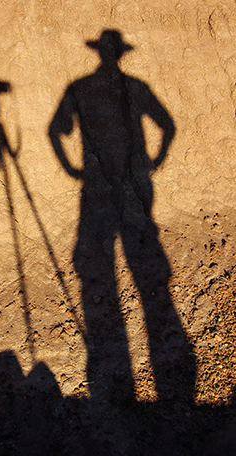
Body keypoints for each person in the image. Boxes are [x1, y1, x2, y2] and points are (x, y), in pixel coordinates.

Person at [48, 30, 194, 401]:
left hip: (98, 184)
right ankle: (152, 317)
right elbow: (168, 125)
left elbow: (56, 131)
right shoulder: (137, 87)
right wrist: (155, 161)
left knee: (99, 261)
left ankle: (108, 333)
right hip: (134, 182)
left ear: (102, 53)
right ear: (120, 55)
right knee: (141, 253)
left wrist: (71, 169)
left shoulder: (79, 87)